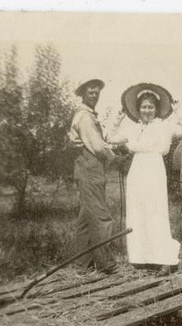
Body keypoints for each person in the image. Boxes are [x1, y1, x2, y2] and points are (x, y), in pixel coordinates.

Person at [108, 83, 182, 276]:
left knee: (156, 213)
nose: (147, 111)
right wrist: (118, 118)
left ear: (156, 109)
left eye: (150, 107)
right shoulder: (131, 129)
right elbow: (110, 137)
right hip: (137, 171)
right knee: (138, 212)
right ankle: (141, 258)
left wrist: (178, 111)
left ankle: (165, 260)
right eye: (143, 107)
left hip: (154, 170)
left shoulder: (164, 126)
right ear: (138, 109)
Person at [69, 78, 126, 275]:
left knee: (86, 218)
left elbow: (95, 143)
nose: (94, 95)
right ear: (83, 93)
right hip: (90, 171)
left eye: (97, 92)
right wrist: (116, 159)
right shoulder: (85, 117)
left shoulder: (88, 115)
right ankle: (106, 264)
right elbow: (97, 146)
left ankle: (82, 264)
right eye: (91, 92)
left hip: (88, 170)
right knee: (101, 217)